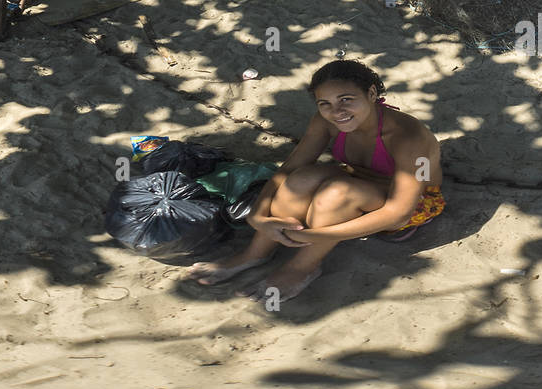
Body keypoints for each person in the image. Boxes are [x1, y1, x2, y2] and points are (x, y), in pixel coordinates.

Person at [184, 59, 447, 302]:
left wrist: (318, 235)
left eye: (346, 99)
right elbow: (289, 170)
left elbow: (398, 213)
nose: (337, 111)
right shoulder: (327, 121)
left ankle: (303, 266)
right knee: (302, 177)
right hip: (361, 181)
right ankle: (256, 253)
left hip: (412, 204)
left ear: (371, 94)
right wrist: (259, 217)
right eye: (325, 103)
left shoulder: (406, 136)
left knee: (336, 193)